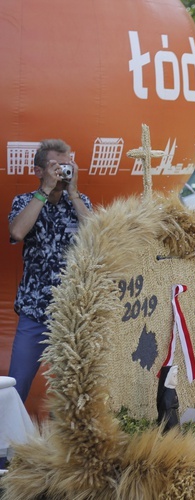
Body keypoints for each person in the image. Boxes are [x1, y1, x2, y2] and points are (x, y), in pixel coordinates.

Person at [8, 139, 92, 403]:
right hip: (34, 311)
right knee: (16, 385)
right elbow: (17, 231)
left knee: (71, 392)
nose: (61, 172)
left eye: (67, 166)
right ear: (39, 170)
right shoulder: (24, 201)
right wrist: (44, 192)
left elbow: (99, 236)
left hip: (72, 313)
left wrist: (75, 195)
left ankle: (61, 442)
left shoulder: (80, 202)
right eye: (55, 166)